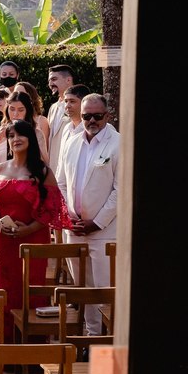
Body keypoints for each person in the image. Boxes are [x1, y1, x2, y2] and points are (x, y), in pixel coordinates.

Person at [0, 119, 71, 332]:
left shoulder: (43, 171)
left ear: (30, 139)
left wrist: (28, 229)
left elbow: (52, 209)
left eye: (21, 134)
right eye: (11, 136)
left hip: (34, 239)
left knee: (32, 285)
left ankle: (33, 344)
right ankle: (4, 341)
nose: (15, 139)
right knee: (6, 287)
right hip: (5, 240)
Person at [55, 93, 119, 336]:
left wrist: (97, 222)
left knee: (104, 291)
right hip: (74, 229)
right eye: (86, 116)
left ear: (107, 116)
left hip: (105, 231)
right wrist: (68, 217)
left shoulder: (118, 144)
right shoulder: (71, 142)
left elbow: (120, 190)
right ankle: (92, 338)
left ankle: (108, 341)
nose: (91, 121)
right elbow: (61, 183)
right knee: (83, 290)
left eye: (97, 116)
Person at [0, 91, 49, 169]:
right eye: (12, 109)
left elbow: (46, 165)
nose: (15, 114)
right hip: (1, 176)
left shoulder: (36, 133)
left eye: (21, 110)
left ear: (27, 111)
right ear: (7, 109)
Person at [12, 81, 52, 161]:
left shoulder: (41, 120)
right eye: (15, 93)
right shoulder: (11, 120)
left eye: (22, 93)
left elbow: (45, 151)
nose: (18, 96)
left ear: (31, 97)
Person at [46, 64, 76, 152]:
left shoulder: (80, 105)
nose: (50, 84)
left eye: (54, 79)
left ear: (68, 80)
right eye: (49, 81)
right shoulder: (53, 108)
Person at [55, 84, 91, 154]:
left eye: (72, 101)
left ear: (84, 103)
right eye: (66, 101)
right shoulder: (66, 129)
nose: (67, 106)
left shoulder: (91, 130)